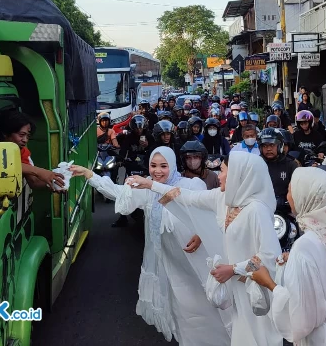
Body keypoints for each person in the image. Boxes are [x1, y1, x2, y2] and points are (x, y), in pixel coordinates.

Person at [69, 148, 231, 345]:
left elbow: (208, 212)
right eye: (153, 166)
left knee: (206, 309)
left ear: (172, 166)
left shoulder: (191, 185)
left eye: (163, 166)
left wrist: (201, 235)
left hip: (194, 263)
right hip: (170, 265)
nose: (157, 171)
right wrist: (90, 175)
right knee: (181, 312)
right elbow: (118, 192)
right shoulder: (147, 190)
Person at [130, 152, 283, 346]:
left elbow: (270, 256)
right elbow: (188, 197)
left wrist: (233, 269)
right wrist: (151, 185)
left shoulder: (256, 210)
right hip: (237, 287)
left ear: (238, 175)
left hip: (256, 289)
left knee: (261, 335)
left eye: (223, 171)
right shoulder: (224, 200)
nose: (218, 176)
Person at [251, 167, 326, 345]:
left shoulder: (304, 247)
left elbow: (302, 320)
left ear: (308, 197)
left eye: (291, 190)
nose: (288, 196)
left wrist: (269, 283)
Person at [0, 108, 65, 191]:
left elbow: (34, 181)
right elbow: (2, 164)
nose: (25, 140)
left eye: (28, 136)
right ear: (5, 133)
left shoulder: (22, 152)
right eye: (21, 135)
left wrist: (56, 183)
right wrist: (39, 171)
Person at [258, 128, 298, 201]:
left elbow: (297, 191)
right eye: (265, 146)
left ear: (280, 146)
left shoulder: (291, 165)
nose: (268, 149)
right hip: (261, 206)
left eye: (272, 145)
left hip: (285, 209)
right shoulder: (256, 164)